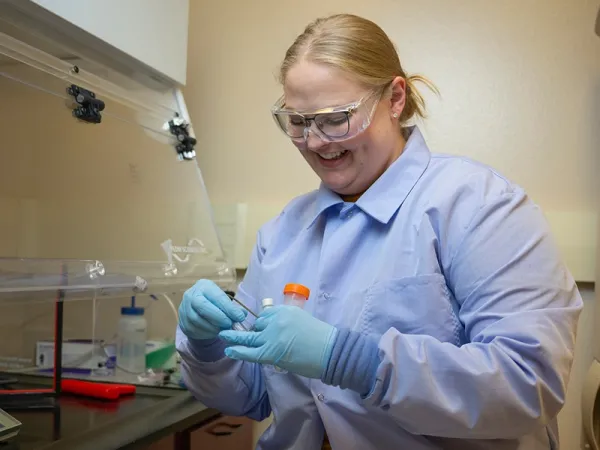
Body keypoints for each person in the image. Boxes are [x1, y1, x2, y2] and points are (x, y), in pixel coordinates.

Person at [176, 13, 583, 450]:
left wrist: (353, 360)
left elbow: (528, 383)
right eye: (297, 121)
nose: (314, 142)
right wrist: (206, 348)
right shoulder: (280, 235)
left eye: (335, 118)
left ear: (394, 98)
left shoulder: (479, 206)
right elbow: (248, 396)